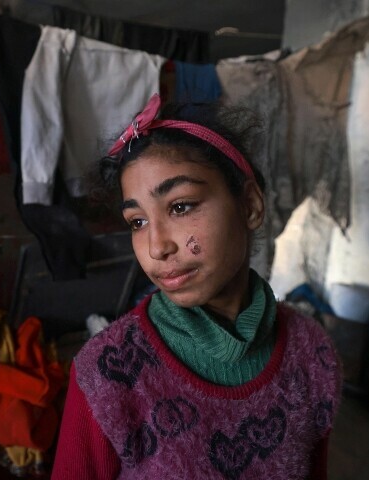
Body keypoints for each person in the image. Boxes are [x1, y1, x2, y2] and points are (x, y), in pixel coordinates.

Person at [51, 94, 342, 479]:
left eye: (180, 206)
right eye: (137, 222)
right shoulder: (107, 374)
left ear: (250, 206)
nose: (157, 247)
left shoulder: (312, 353)